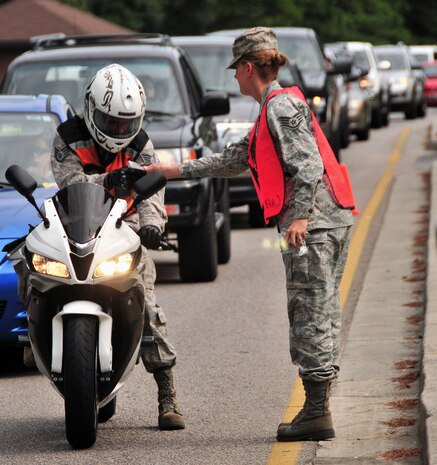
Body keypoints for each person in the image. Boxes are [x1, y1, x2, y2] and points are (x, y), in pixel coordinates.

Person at [144, 27, 355, 442]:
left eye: (235, 71)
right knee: (322, 314)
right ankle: (318, 408)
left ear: (247, 67)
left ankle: (316, 412)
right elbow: (236, 157)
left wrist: (298, 218)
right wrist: (171, 171)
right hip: (327, 221)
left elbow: (308, 165)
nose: (234, 79)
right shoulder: (273, 107)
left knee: (310, 318)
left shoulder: (278, 107)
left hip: (312, 226)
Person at [49, 63, 185, 430]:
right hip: (80, 220)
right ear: (93, 111)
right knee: (36, 269)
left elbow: (155, 185)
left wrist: (154, 225)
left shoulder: (141, 144)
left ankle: (167, 393)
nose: (120, 132)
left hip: (128, 223)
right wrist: (108, 178)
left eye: (127, 124)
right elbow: (69, 184)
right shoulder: (68, 137)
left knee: (148, 303)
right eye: (113, 123)